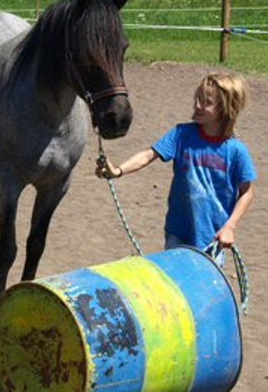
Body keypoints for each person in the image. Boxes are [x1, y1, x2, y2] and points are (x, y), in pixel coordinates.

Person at [96, 72, 256, 259]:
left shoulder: (236, 151)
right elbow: (149, 155)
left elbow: (247, 192)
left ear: (227, 108)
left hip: (212, 238)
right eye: (197, 99)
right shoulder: (182, 135)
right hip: (178, 231)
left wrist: (230, 227)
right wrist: (118, 170)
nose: (197, 105)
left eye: (206, 102)